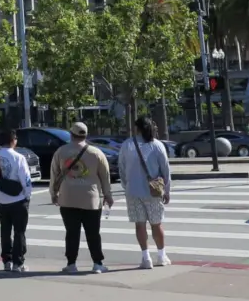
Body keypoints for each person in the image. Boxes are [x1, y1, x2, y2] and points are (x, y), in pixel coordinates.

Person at [49, 121, 113, 274]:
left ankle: (71, 264)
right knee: (93, 233)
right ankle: (97, 263)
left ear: (71, 134)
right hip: (91, 199)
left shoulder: (61, 152)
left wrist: (53, 193)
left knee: (71, 233)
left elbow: (54, 174)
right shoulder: (96, 153)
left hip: (68, 198)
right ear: (86, 135)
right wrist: (108, 195)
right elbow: (105, 177)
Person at [118, 116, 172, 270]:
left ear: (137, 128)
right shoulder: (157, 145)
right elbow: (165, 170)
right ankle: (161, 256)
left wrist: (126, 185)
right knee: (157, 224)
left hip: (133, 191)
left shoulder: (127, 145)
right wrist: (167, 190)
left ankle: (145, 257)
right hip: (153, 191)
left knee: (139, 224)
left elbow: (121, 168)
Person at [0, 129, 32, 273]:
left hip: (3, 200)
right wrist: (27, 195)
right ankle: (18, 262)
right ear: (13, 140)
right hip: (18, 199)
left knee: (5, 231)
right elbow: (25, 178)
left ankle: (7, 260)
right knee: (19, 232)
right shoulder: (19, 157)